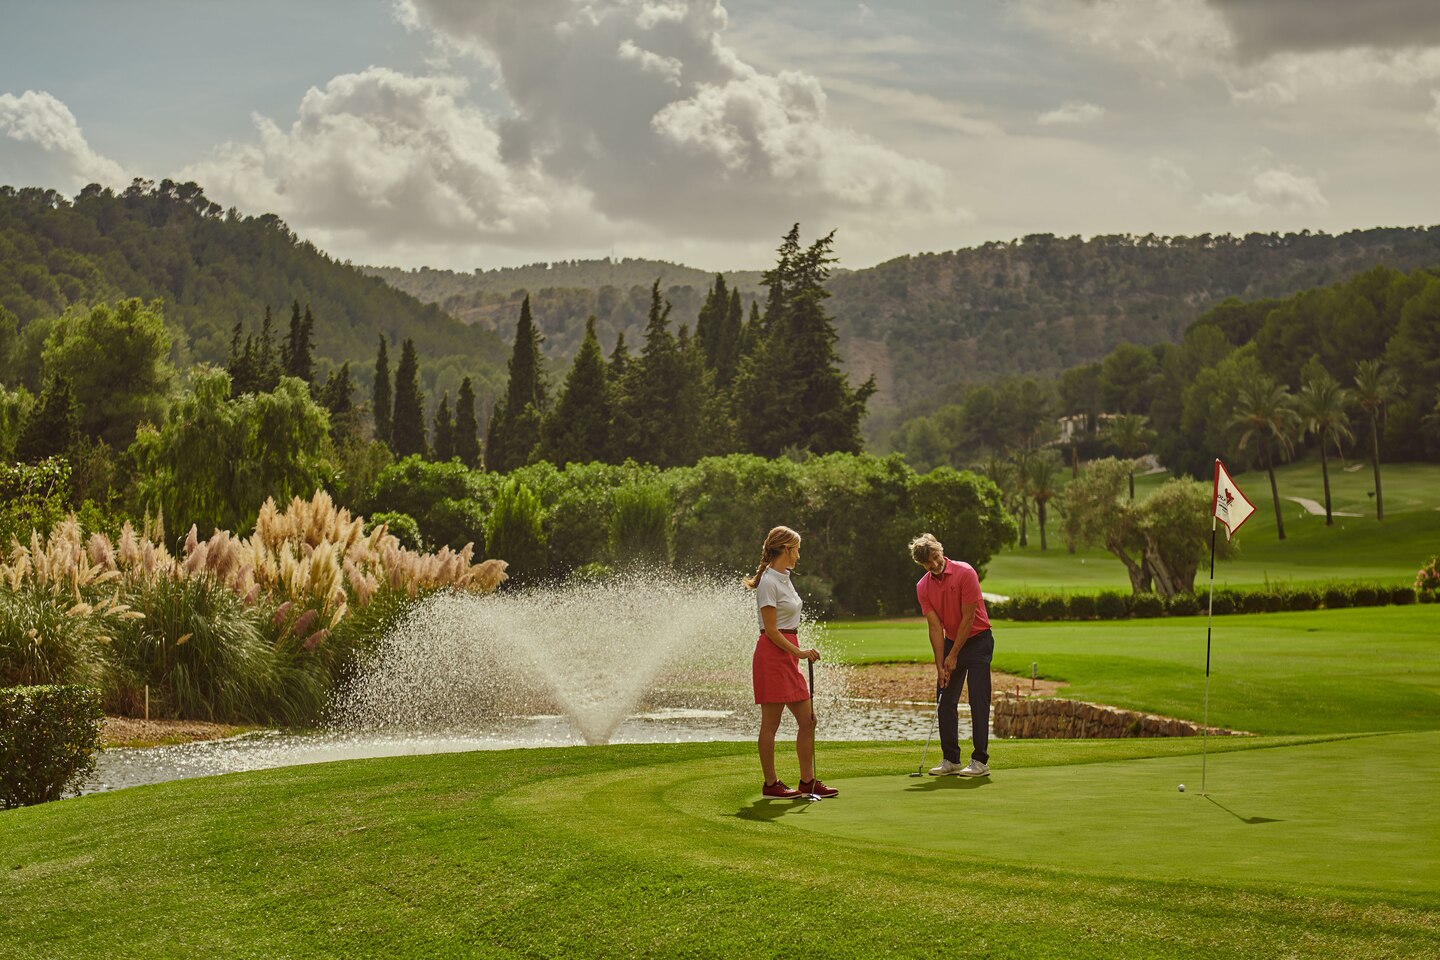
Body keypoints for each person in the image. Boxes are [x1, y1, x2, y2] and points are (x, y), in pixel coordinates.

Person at [746, 525, 839, 799]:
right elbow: (772, 630)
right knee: (770, 724)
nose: (798, 555)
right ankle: (771, 784)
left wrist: (796, 652)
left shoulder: (784, 577)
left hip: (788, 651)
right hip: (773, 655)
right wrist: (798, 653)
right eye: (796, 549)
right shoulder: (768, 582)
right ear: (786, 549)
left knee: (808, 720)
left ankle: (807, 781)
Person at [910, 532, 993, 777]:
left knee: (978, 699)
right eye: (928, 563)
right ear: (921, 565)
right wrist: (940, 666)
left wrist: (954, 654)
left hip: (978, 641)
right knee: (945, 699)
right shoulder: (922, 586)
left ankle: (980, 761)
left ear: (940, 550)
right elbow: (935, 627)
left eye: (936, 557)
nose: (935, 565)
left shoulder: (965, 572)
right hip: (951, 642)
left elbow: (969, 618)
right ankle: (951, 759)